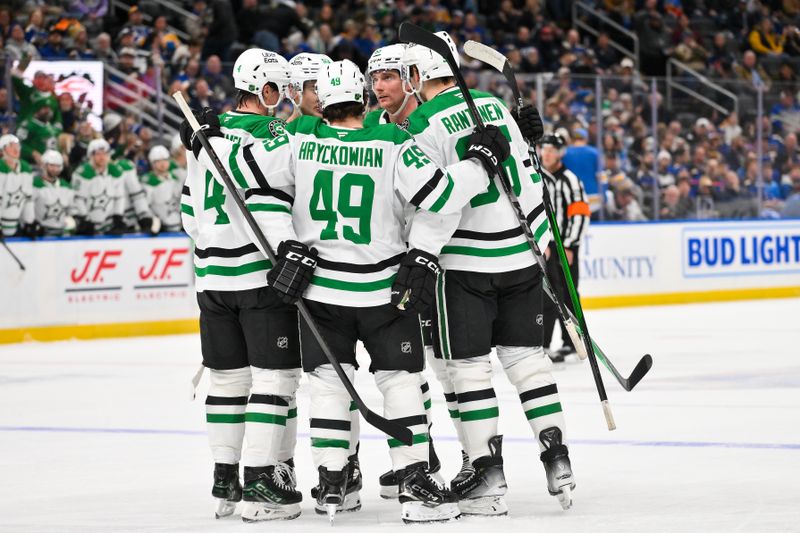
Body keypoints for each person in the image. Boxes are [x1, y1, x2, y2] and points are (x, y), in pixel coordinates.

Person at [186, 58, 504, 524]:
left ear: (323, 101)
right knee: (399, 383)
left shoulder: (300, 141)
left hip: (319, 293)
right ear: (364, 97)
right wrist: (480, 163)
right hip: (382, 291)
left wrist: (286, 246)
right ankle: (415, 484)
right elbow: (439, 194)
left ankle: (333, 482)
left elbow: (254, 189)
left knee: (328, 386)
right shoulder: (393, 140)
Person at [401, 31, 575, 515]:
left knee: (469, 368)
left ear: (416, 77)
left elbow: (436, 201)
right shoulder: (495, 107)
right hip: (520, 257)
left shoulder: (421, 122)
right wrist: (544, 241)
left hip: (465, 266)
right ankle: (556, 456)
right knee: (528, 361)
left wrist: (421, 254)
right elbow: (530, 176)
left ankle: (487, 473)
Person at [180, 48, 304, 523]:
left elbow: (190, 212)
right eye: (278, 90)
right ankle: (259, 481)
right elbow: (284, 197)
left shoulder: (201, 137)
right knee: (275, 380)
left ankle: (225, 478)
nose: (282, 101)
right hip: (258, 277)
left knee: (228, 382)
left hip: (210, 278)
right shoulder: (273, 134)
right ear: (266, 91)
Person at [363, 41, 447, 500]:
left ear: (412, 79)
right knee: (405, 369)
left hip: (429, 260)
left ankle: (470, 459)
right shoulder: (372, 124)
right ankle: (422, 451)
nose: (379, 87)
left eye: (389, 77)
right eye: (374, 79)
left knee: (437, 368)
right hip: (385, 266)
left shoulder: (430, 123)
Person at [287, 50, 366, 511]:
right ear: (296, 91)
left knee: (344, 380)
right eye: (312, 85)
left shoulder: (345, 131)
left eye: (324, 84)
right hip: (300, 280)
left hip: (334, 280)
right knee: (323, 383)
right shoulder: (287, 136)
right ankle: (322, 466)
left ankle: (347, 464)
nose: (321, 93)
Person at [539, 134, 589, 362]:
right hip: (544, 247)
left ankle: (574, 342)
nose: (547, 154)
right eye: (544, 149)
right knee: (547, 296)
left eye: (552, 150)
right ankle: (544, 344)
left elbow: (579, 213)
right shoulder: (535, 176)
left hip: (565, 247)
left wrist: (568, 245)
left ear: (560, 153)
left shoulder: (570, 179)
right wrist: (541, 242)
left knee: (569, 295)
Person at [72, 139, 126, 235]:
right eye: (98, 154)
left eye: (105, 154)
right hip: (88, 224)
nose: (102, 157)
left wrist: (118, 215)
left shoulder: (116, 171)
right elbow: (78, 200)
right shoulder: (82, 173)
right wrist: (85, 219)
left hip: (109, 224)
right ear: (91, 156)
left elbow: (119, 198)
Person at [0, 134, 35, 238]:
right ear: (2, 150)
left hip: (16, 225)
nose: (16, 149)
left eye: (17, 146)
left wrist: (29, 222)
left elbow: (28, 198)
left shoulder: (26, 168)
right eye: (11, 146)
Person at [32, 150, 75, 236]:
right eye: (52, 165)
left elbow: (72, 209)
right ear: (43, 165)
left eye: (58, 166)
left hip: (62, 232)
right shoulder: (34, 184)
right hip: (40, 232)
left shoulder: (66, 186)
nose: (55, 169)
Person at [141, 146, 181, 233]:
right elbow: (145, 206)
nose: (162, 164)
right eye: (158, 161)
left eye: (165, 160)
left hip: (178, 223)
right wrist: (153, 221)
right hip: (159, 226)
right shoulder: (148, 181)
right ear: (152, 163)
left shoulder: (175, 178)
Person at [16, 100, 63, 165]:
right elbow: (18, 144)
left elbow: (54, 145)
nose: (48, 111)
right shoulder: (27, 125)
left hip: (51, 165)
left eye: (50, 108)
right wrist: (33, 153)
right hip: (31, 164)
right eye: (44, 108)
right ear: (37, 110)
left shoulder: (52, 127)